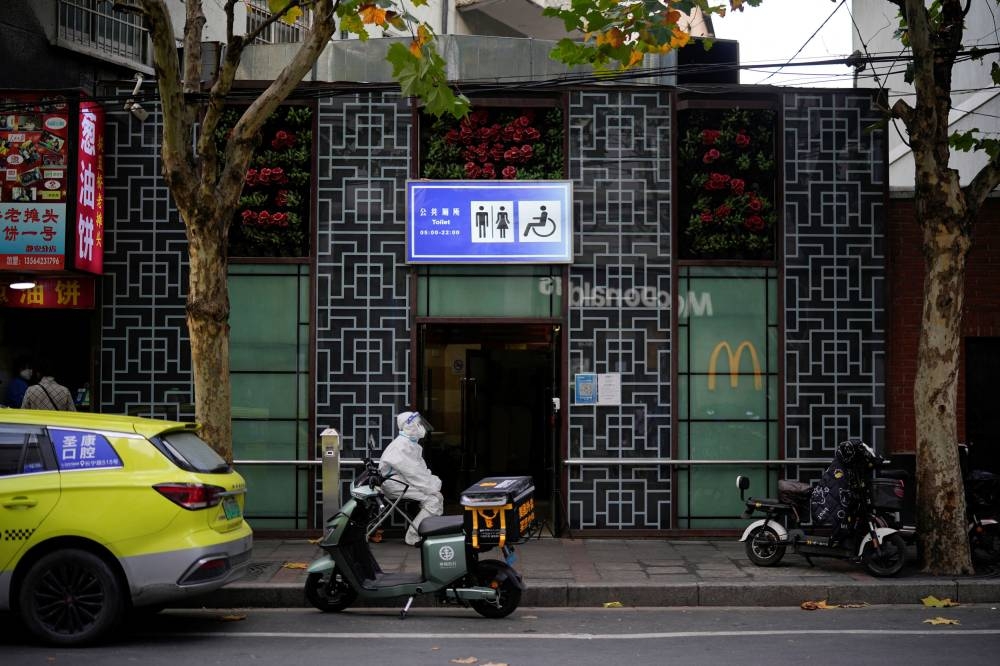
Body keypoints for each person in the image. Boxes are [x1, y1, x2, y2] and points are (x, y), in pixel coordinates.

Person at [379, 411, 443, 546]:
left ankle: (427, 531)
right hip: (395, 485)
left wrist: (432, 483)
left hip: (403, 482)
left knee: (436, 497)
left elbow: (420, 470)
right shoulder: (401, 446)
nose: (421, 427)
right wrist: (431, 487)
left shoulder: (411, 444)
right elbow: (413, 473)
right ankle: (414, 536)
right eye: (418, 424)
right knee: (433, 501)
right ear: (409, 426)